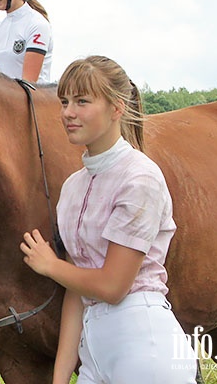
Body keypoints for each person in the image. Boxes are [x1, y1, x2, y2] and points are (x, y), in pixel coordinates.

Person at [19, 56, 196, 384]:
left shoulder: (140, 178)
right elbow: (77, 289)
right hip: (94, 353)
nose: (68, 112)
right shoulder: (73, 187)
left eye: (82, 101)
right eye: (65, 101)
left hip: (145, 348)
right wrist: (59, 379)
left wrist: (50, 265)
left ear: (116, 108)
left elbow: (114, 287)